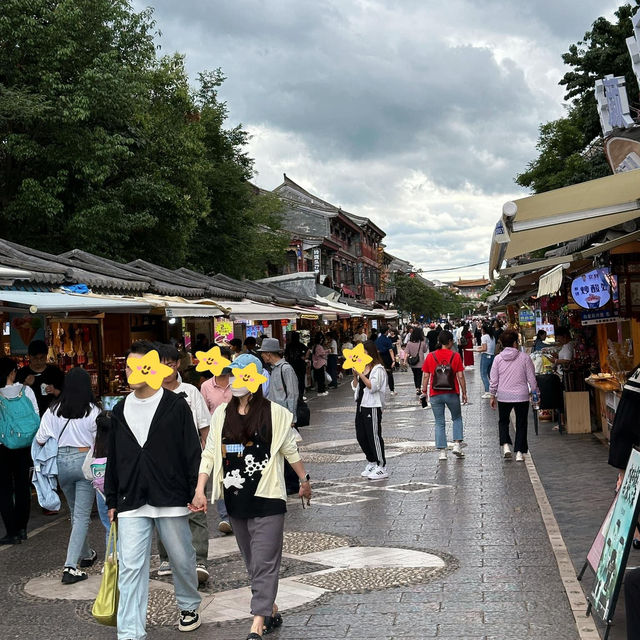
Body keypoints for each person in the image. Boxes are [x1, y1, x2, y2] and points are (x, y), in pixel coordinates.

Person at [192, 354, 312, 640]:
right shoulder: (221, 413)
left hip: (268, 498)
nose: (234, 380)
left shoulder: (276, 413)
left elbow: (289, 449)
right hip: (235, 499)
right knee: (252, 560)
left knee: (265, 559)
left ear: (257, 380)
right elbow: (209, 452)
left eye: (242, 375)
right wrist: (200, 488)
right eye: (232, 375)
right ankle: (269, 607)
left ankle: (257, 622)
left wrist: (304, 480)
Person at [104, 340, 202, 637]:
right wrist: (111, 498)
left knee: (181, 557)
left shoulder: (175, 405)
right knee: (131, 567)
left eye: (138, 365)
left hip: (170, 495)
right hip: (131, 498)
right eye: (128, 367)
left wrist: (196, 490)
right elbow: (114, 457)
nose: (131, 372)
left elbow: (191, 451)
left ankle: (188, 605)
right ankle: (130, 631)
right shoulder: (120, 409)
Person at [34, 367, 100, 582]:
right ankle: (70, 567)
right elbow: (100, 442)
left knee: (75, 513)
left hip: (61, 463)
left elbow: (41, 439)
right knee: (81, 516)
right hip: (84, 463)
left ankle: (86, 555)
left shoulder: (53, 409)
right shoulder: (92, 410)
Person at [156, 343, 212, 584]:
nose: (166, 369)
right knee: (162, 509)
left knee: (196, 509)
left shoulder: (191, 391)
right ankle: (166, 556)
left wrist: (208, 462)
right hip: (160, 462)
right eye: (162, 364)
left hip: (191, 461)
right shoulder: (150, 391)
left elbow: (205, 429)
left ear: (178, 364)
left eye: (169, 364)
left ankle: (199, 558)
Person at [0, 357, 39, 545]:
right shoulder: (27, 391)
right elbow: (37, 416)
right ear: (12, 373)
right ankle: (22, 529)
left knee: (4, 489)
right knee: (23, 486)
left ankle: (12, 532)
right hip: (24, 445)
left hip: (3, 446)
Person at [489, 330, 539, 461]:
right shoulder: (524, 358)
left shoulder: (498, 359)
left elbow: (494, 380)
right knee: (521, 423)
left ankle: (505, 446)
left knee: (503, 421)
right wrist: (536, 393)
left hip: (504, 395)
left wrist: (492, 395)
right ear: (515, 343)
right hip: (521, 396)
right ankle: (519, 452)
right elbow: (532, 380)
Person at [422, 331, 467, 461]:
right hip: (452, 392)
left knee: (439, 422)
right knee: (457, 418)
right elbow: (460, 376)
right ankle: (457, 445)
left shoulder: (430, 356)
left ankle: (442, 451)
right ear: (449, 342)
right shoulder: (456, 356)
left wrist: (424, 391)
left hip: (435, 394)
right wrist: (464, 392)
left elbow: (426, 376)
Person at [352, 341, 388, 479]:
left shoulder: (378, 369)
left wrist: (361, 374)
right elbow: (356, 387)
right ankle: (371, 461)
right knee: (361, 435)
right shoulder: (363, 367)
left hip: (372, 406)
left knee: (374, 436)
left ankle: (381, 465)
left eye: (364, 353)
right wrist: (355, 375)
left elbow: (372, 387)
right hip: (361, 405)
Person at [16, 339, 65, 416]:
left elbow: (65, 396)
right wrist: (25, 384)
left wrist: (54, 391)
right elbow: (14, 398)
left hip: (52, 416)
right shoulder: (22, 373)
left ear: (46, 355)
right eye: (35, 358)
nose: (38, 361)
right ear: (29, 356)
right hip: (28, 417)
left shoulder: (55, 372)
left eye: (42, 358)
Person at [284, 331, 309, 400]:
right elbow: (308, 350)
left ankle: (295, 395)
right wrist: (304, 357)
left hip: (292, 366)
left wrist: (287, 361)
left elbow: (286, 356)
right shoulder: (300, 344)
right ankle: (300, 395)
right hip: (300, 365)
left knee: (292, 381)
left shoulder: (289, 345)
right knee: (301, 381)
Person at [473, 323, 496, 398]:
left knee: (483, 374)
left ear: (484, 330)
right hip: (492, 356)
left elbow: (484, 348)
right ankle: (494, 390)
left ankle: (488, 391)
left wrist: (475, 350)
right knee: (490, 374)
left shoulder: (484, 337)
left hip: (486, 356)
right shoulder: (492, 337)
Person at [404, 327, 428, 395]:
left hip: (412, 362)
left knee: (415, 375)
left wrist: (404, 361)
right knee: (419, 375)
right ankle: (419, 388)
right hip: (420, 362)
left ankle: (417, 388)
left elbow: (406, 352)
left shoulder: (409, 343)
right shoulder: (422, 342)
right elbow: (425, 350)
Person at [375, 326, 397, 396]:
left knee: (380, 374)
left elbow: (376, 351)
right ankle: (392, 390)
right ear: (386, 331)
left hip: (379, 359)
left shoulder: (377, 340)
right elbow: (390, 350)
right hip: (387, 358)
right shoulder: (388, 340)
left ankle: (380, 389)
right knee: (389, 374)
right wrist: (393, 360)